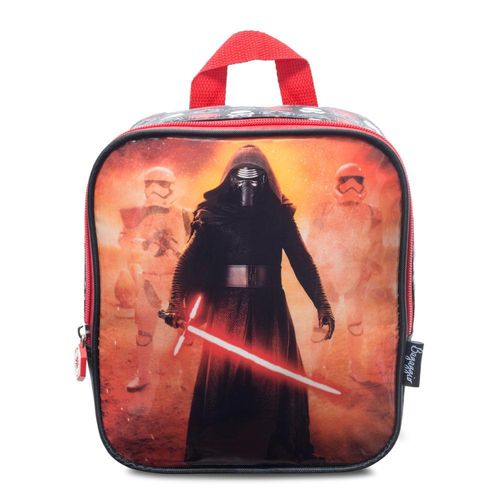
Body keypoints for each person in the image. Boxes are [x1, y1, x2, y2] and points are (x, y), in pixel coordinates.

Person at [161, 145, 335, 463]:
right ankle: (218, 448)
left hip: (270, 307)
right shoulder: (212, 216)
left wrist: (322, 303)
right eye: (240, 179)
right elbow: (187, 262)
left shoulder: (279, 217)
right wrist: (176, 303)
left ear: (266, 180)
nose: (247, 187)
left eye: (254, 179)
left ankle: (277, 446)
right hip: (226, 307)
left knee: (272, 379)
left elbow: (301, 260)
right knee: (223, 377)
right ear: (229, 179)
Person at [115, 166, 190, 392]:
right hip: (148, 279)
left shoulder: (185, 215)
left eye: (161, 184)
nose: (155, 189)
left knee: (185, 330)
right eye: (150, 184)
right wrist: (142, 244)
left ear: (171, 187)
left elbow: (196, 247)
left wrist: (172, 249)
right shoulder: (138, 215)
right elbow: (123, 241)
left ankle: (186, 377)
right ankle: (143, 374)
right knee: (144, 330)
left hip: (177, 279)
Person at [308, 163, 383, 384]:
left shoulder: (373, 214)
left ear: (363, 184)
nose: (351, 186)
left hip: (357, 274)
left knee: (355, 324)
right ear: (337, 183)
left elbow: (376, 246)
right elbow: (313, 243)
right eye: (345, 180)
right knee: (321, 324)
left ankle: (356, 367)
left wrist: (367, 269)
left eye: (357, 180)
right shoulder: (323, 211)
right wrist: (320, 270)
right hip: (328, 273)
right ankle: (316, 368)